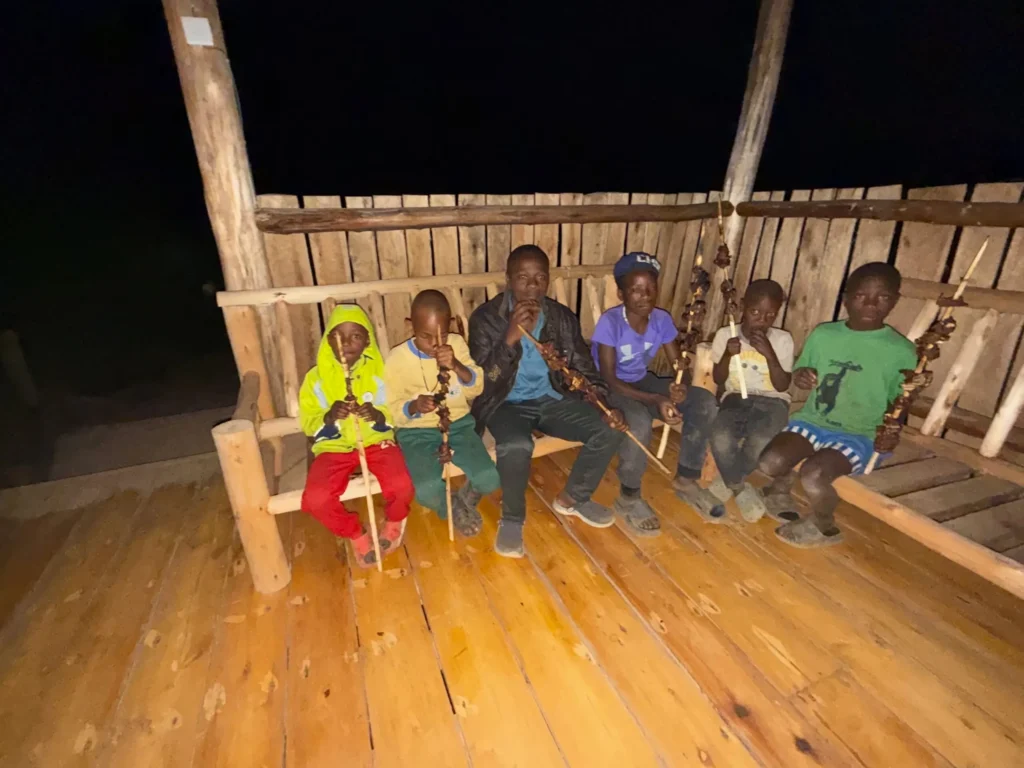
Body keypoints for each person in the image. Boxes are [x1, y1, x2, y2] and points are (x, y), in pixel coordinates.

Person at [469, 244, 627, 558]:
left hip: (552, 398)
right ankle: (512, 518)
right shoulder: (486, 319)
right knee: (516, 445)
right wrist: (511, 337)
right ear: (509, 280)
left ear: (548, 281)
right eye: (523, 278)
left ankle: (573, 499)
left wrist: (604, 404)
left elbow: (584, 366)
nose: (531, 285)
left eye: (539, 278)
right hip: (505, 403)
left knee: (609, 428)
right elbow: (483, 383)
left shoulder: (560, 317)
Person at [753, 262, 917, 547]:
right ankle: (778, 490)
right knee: (769, 462)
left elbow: (901, 402)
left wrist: (891, 433)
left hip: (860, 433)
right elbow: (801, 372)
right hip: (814, 421)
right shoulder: (824, 335)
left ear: (895, 301)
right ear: (846, 297)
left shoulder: (901, 351)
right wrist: (802, 377)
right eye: (861, 295)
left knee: (814, 476)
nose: (870, 303)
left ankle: (824, 525)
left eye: (882, 297)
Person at [591, 251, 718, 535]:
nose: (644, 296)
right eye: (635, 290)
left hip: (642, 382)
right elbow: (609, 380)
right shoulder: (610, 323)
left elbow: (677, 365)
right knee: (639, 421)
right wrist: (658, 399)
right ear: (621, 293)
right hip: (609, 390)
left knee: (704, 402)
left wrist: (678, 385)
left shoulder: (661, 319)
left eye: (650, 288)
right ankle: (628, 496)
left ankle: (686, 477)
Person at [299, 305, 414, 567]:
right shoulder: (315, 380)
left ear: (367, 341)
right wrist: (328, 417)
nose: (348, 343)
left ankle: (395, 518)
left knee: (402, 483)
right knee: (316, 498)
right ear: (328, 339)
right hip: (334, 446)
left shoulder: (381, 374)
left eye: (356, 336)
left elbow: (395, 409)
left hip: (376, 441)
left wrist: (377, 415)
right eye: (339, 336)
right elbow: (308, 422)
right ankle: (354, 532)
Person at [385, 290, 499, 537]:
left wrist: (456, 365)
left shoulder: (456, 345)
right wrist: (414, 407)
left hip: (458, 426)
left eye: (442, 334)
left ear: (450, 326)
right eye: (426, 336)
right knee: (425, 490)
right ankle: (453, 508)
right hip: (416, 433)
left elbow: (477, 387)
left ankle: (462, 502)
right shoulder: (396, 359)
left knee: (490, 478)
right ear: (410, 326)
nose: (436, 344)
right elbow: (391, 411)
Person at [705, 279, 794, 521]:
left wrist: (770, 354)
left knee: (761, 440)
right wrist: (726, 354)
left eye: (770, 314)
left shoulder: (782, 340)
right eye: (755, 312)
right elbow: (719, 377)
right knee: (720, 436)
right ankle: (739, 488)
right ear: (743, 307)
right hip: (735, 397)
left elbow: (782, 385)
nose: (762, 320)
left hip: (774, 400)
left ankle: (729, 480)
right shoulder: (726, 335)